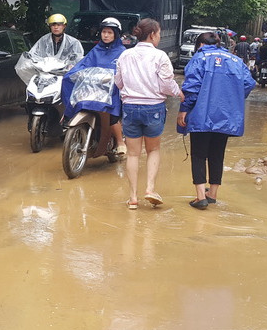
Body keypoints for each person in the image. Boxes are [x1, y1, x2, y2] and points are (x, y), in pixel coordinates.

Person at [177, 31, 255, 210]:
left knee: (198, 154)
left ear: (200, 45)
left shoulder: (199, 58)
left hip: (202, 114)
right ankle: (212, 194)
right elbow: (249, 83)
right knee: (217, 154)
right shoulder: (235, 60)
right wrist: (233, 98)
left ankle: (199, 197)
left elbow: (192, 87)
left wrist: (183, 110)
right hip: (226, 116)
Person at [115, 18, 182, 209]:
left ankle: (133, 197)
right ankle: (150, 189)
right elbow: (166, 84)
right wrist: (179, 92)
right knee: (153, 150)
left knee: (133, 154)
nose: (159, 37)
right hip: (153, 108)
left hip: (130, 107)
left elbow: (118, 82)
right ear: (152, 34)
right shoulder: (160, 56)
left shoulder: (125, 56)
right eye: (159, 33)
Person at [62, 17, 127, 156]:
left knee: (112, 114)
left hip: (112, 92)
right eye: (104, 32)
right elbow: (84, 65)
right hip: (93, 89)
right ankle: (67, 115)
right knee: (67, 81)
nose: (106, 35)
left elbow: (125, 72)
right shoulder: (95, 50)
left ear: (116, 34)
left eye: (110, 32)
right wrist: (72, 73)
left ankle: (120, 142)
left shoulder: (122, 52)